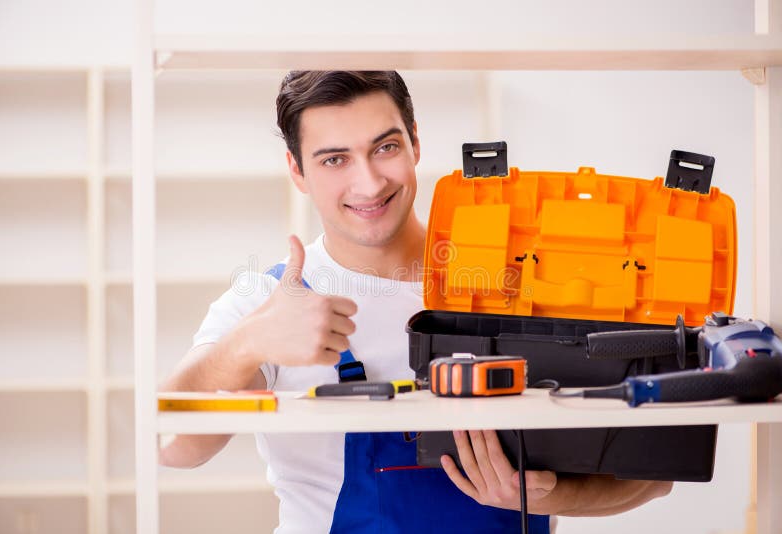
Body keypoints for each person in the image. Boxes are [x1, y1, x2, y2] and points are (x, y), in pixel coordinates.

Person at [159, 70, 672, 533]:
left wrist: (552, 495)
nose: (369, 183)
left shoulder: (523, 284)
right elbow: (176, 446)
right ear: (297, 170)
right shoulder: (272, 301)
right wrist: (248, 343)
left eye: (385, 147)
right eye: (335, 159)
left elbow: (653, 475)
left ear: (415, 143)